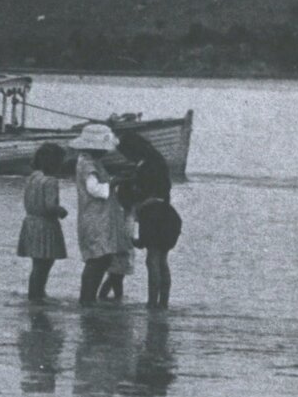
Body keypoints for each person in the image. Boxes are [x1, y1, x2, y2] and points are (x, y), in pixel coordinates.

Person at [73, 124, 124, 304]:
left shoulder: (88, 162)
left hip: (97, 217)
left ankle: (88, 298)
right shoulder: (88, 165)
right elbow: (95, 190)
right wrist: (112, 183)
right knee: (97, 259)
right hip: (94, 217)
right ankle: (87, 299)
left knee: (101, 258)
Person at [17, 144, 71, 300]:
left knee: (37, 264)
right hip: (46, 224)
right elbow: (50, 206)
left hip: (30, 222)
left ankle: (35, 293)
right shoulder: (51, 181)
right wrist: (61, 210)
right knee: (45, 263)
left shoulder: (33, 177)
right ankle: (37, 295)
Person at [132, 177, 183, 309]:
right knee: (162, 260)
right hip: (173, 222)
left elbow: (142, 241)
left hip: (158, 222)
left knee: (152, 260)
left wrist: (131, 241)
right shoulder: (159, 203)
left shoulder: (145, 210)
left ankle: (152, 302)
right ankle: (163, 303)